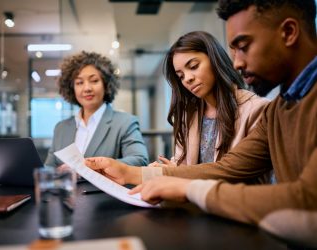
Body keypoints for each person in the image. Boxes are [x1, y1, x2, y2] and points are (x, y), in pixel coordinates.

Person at [85, 0, 317, 247]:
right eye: (234, 50)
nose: (237, 62)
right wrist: (132, 172)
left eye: (244, 46)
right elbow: (226, 168)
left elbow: (307, 200)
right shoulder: (279, 109)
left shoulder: (263, 108)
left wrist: (187, 188)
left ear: (289, 32)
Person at [148, 31, 268, 168]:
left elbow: (239, 172)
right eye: (180, 76)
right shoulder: (189, 115)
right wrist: (169, 169)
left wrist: (177, 174)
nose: (187, 78)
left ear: (214, 59)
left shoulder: (256, 109)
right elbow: (184, 166)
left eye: (193, 66)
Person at [45, 51, 149, 168]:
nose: (87, 88)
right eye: (79, 82)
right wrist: (61, 172)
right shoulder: (61, 128)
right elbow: (49, 168)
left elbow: (140, 160)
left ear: (106, 84)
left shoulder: (125, 123)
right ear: (72, 88)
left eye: (94, 81)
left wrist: (90, 167)